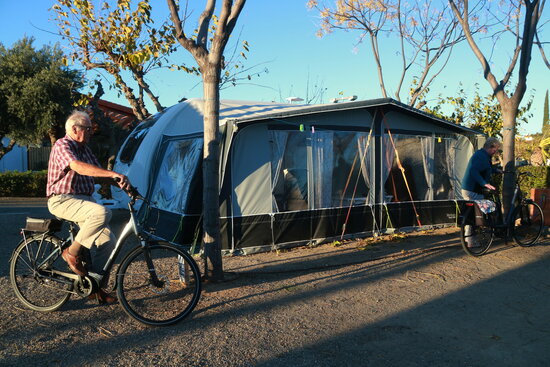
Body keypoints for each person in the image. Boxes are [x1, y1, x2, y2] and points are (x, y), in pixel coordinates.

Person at [47, 111, 131, 304]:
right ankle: (71, 252)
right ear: (75, 129)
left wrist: (122, 183)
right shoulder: (63, 145)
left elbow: (98, 174)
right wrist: (112, 174)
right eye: (88, 128)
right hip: (62, 199)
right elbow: (77, 166)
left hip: (83, 200)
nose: (92, 131)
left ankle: (95, 287)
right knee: (102, 212)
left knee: (110, 242)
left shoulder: (85, 149)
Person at [461, 137, 501, 247]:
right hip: (473, 190)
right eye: (496, 149)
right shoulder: (481, 156)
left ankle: (469, 238)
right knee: (476, 215)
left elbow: (486, 167)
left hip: (469, 189)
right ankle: (471, 241)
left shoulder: (483, 155)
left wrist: (496, 170)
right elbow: (474, 170)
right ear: (491, 147)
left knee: (472, 215)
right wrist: (484, 183)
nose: (496, 152)